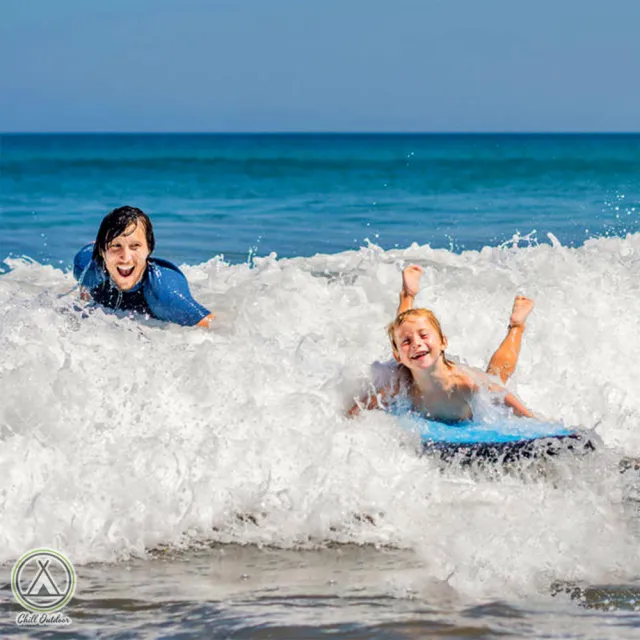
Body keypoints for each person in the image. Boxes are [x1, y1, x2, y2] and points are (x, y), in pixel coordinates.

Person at [349, 265, 535, 422]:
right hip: (407, 365)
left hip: (468, 386)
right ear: (397, 356)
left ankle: (516, 326)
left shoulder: (466, 383)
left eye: (424, 336)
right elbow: (361, 409)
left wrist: (534, 421)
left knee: (496, 376)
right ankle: (407, 295)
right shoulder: (400, 385)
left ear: (443, 342)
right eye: (408, 342)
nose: (416, 344)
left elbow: (501, 392)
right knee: (403, 328)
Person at [73, 206, 214, 327]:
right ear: (102, 251)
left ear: (149, 249)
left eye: (135, 246)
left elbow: (214, 326)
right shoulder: (85, 267)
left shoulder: (165, 294)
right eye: (116, 246)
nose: (126, 258)